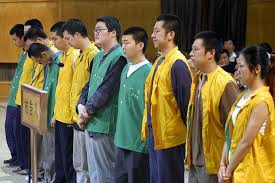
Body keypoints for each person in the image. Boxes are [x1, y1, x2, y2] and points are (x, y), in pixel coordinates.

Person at [141, 14, 192, 183]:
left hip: (170, 138)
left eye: (157, 31)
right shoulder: (159, 61)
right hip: (156, 132)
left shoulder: (178, 63)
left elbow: (186, 106)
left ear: (171, 35)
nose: (152, 35)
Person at [77, 16, 127, 183]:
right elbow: (89, 85)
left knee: (106, 174)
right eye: (95, 30)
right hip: (91, 121)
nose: (95, 33)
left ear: (113, 33)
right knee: (95, 173)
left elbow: (105, 90)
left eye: (99, 30)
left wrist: (87, 112)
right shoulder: (98, 56)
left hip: (106, 124)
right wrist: (81, 106)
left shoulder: (119, 57)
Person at [186, 31, 239, 183]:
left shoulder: (225, 83)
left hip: (213, 162)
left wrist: (227, 165)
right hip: (195, 159)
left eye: (196, 49)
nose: (190, 54)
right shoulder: (198, 78)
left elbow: (235, 127)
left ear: (210, 53)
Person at [218, 45, 275, 183]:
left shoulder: (262, 100)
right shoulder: (242, 96)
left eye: (241, 66)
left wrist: (228, 170)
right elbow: (230, 131)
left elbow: (246, 142)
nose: (237, 71)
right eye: (236, 66)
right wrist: (222, 164)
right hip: (234, 168)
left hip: (251, 173)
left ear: (256, 69)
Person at [62, 18, 99, 183]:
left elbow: (94, 88)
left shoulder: (94, 56)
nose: (67, 42)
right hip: (76, 115)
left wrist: (84, 112)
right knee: (79, 163)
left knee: (88, 164)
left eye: (68, 38)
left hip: (87, 117)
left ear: (77, 35)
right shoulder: (80, 56)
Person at [114, 26, 151, 183]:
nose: (123, 46)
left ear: (140, 45)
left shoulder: (148, 71)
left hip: (138, 143)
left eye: (127, 42)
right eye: (122, 42)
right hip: (121, 138)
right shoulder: (125, 68)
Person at [50, 21, 79, 183]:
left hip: (69, 117)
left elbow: (75, 90)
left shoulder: (75, 56)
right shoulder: (62, 56)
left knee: (69, 157)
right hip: (60, 114)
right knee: (60, 154)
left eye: (55, 39)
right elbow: (61, 89)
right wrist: (54, 113)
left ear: (65, 38)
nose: (53, 43)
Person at [4, 24, 26, 167]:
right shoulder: (22, 54)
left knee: (16, 129)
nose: (14, 43)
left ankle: (20, 157)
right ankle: (14, 155)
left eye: (15, 39)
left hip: (20, 98)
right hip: (13, 97)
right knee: (9, 128)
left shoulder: (30, 54)